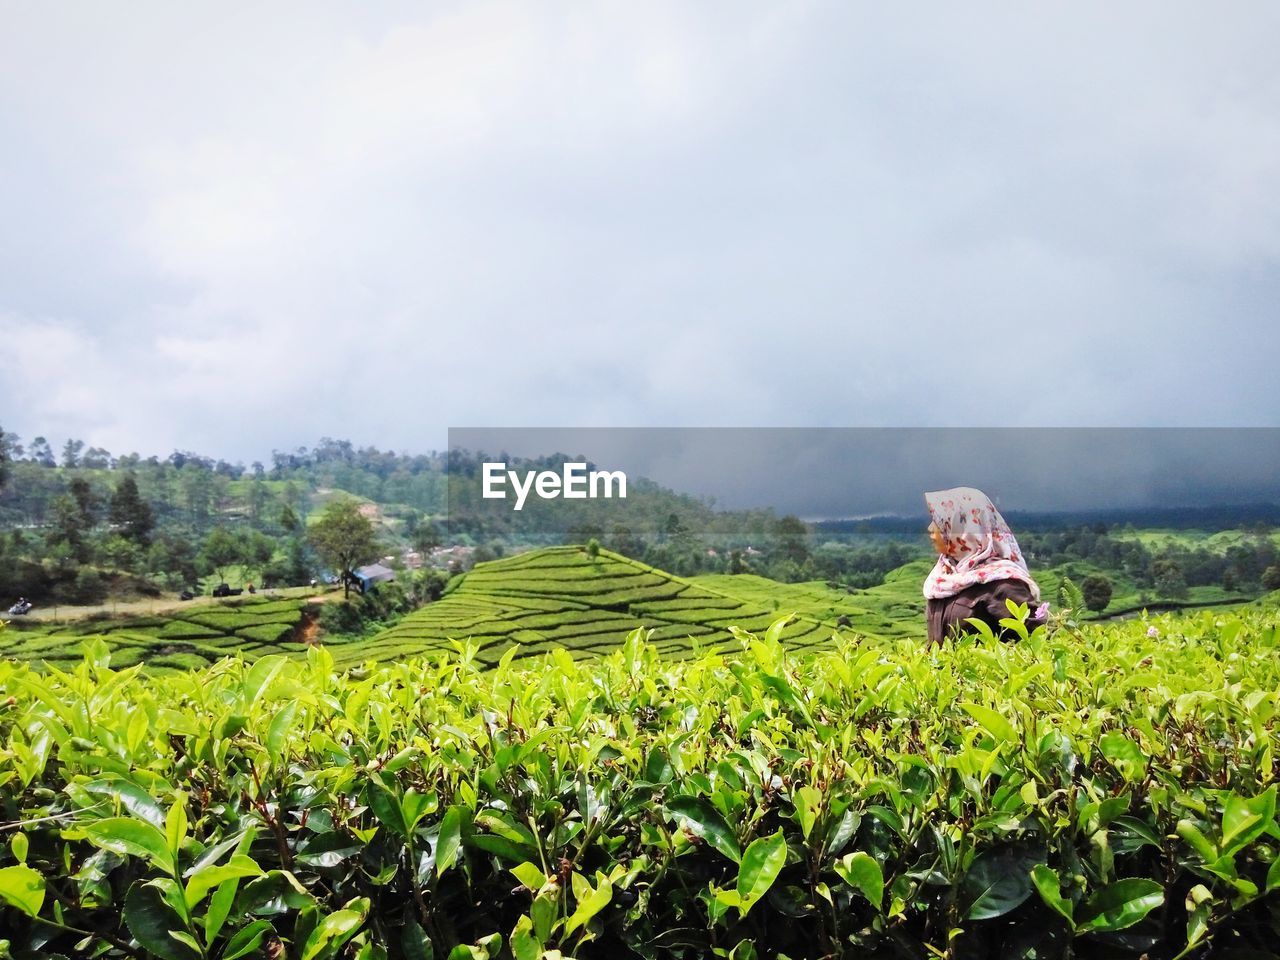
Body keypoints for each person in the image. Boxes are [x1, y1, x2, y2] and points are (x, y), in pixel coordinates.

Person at [924, 487, 1048, 644]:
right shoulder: (941, 578)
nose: (930, 528)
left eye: (940, 522)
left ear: (964, 528)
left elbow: (1039, 637)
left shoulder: (1002, 583)